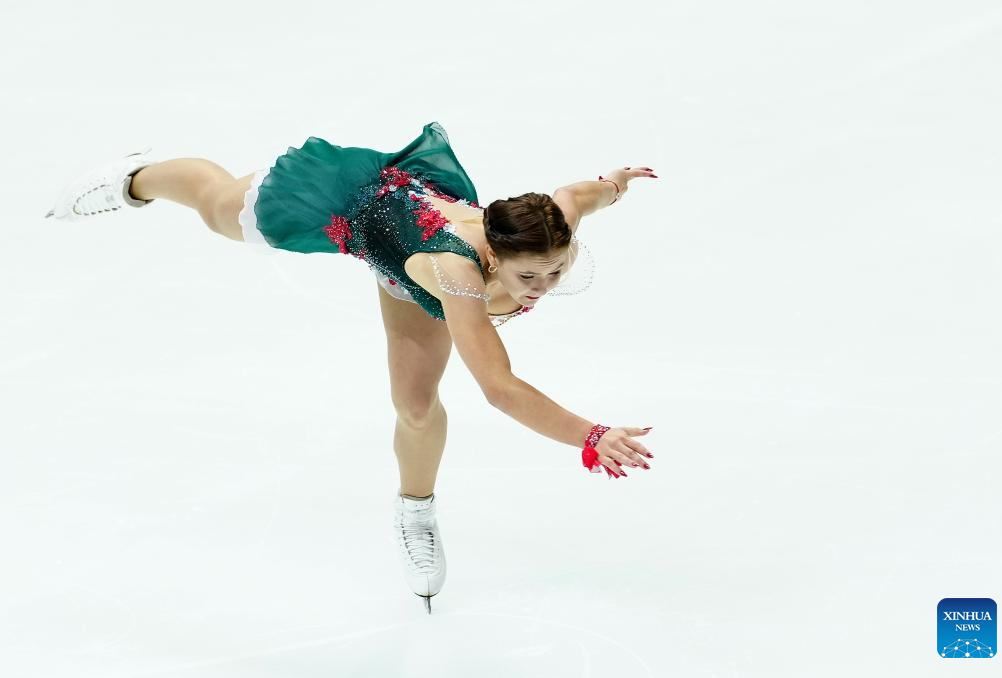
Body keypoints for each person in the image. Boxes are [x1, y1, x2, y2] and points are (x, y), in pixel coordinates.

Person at [44, 121, 659, 613]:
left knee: (415, 406)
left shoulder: (549, 227)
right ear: (495, 256)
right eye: (529, 276)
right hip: (351, 204)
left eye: (558, 269)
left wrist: (614, 181)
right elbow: (498, 387)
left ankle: (415, 510)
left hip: (408, 255)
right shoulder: (456, 273)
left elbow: (580, 195)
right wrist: (591, 435)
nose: (544, 286)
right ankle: (135, 177)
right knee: (216, 209)